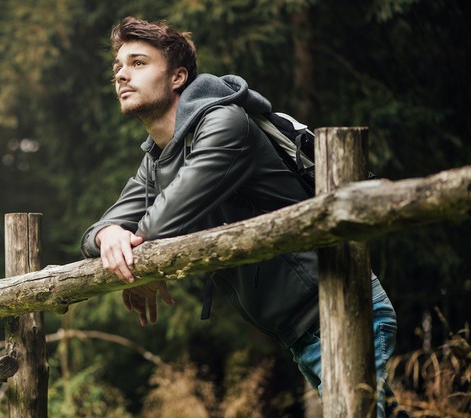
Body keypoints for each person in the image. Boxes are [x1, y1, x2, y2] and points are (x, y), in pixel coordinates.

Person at [80, 17, 403, 417]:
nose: (122, 75)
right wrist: (109, 234)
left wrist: (135, 262)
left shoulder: (225, 124)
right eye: (118, 67)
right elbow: (97, 231)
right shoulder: (157, 158)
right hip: (304, 327)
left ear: (178, 76)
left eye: (139, 63)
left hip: (340, 305)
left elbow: (162, 224)